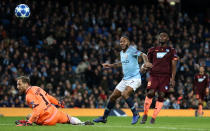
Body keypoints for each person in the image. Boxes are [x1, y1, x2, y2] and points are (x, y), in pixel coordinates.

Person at [93, 35, 152, 124]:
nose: (122, 43)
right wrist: (111, 65)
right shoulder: (121, 53)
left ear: (128, 42)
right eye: (120, 41)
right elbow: (122, 63)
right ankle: (104, 117)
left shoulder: (132, 50)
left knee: (125, 94)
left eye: (124, 41)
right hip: (125, 79)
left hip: (135, 78)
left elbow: (143, 54)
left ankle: (135, 114)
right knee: (113, 97)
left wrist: (146, 62)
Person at [15, 76, 93, 126]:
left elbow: (39, 108)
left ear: (26, 84)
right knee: (69, 118)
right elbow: (49, 97)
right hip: (55, 112)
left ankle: (27, 122)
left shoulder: (28, 96)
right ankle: (81, 123)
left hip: (47, 119)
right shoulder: (37, 87)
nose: (18, 87)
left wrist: (30, 121)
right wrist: (58, 103)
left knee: (29, 116)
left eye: (19, 84)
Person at [140, 32, 178, 124]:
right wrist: (144, 67)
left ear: (167, 38)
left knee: (161, 95)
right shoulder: (152, 50)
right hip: (154, 75)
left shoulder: (171, 50)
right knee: (151, 92)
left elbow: (174, 65)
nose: (162, 37)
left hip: (165, 76)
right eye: (160, 36)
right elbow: (148, 63)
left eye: (164, 36)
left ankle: (153, 117)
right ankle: (145, 114)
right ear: (158, 38)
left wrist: (173, 79)